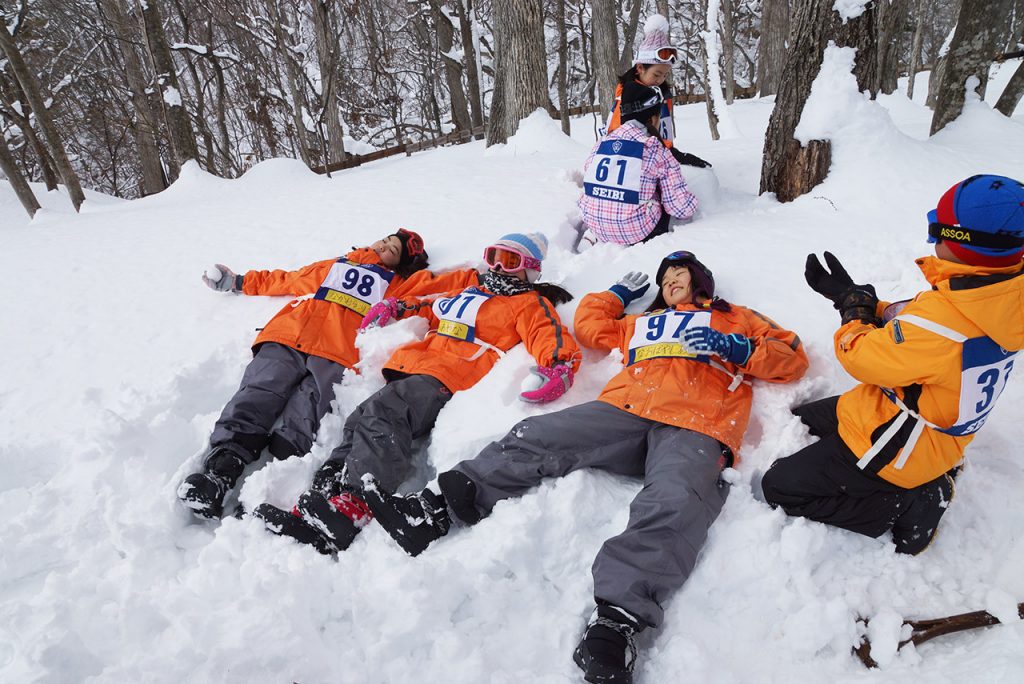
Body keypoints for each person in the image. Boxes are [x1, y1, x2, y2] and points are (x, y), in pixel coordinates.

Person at [362, 251, 808, 683]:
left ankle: (615, 624)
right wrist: (613, 295)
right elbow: (592, 328)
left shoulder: (734, 318)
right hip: (624, 409)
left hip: (697, 422)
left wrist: (736, 346)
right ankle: (435, 509)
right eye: (665, 277)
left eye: (679, 274)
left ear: (701, 280)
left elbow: (790, 357)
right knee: (536, 436)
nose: (670, 282)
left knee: (675, 498)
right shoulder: (642, 322)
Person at [253, 232, 582, 555]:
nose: (498, 267)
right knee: (358, 421)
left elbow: (548, 334)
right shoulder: (472, 291)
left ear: (530, 269)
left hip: (447, 375)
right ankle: (325, 494)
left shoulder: (528, 304)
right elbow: (432, 308)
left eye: (510, 261)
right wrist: (398, 308)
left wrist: (560, 366)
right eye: (494, 257)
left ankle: (354, 503)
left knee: (384, 417)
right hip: (416, 368)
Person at [761, 174, 1024, 555]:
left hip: (904, 444)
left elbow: (861, 356)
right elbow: (921, 322)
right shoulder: (997, 291)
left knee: (779, 486)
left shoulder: (944, 327)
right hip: (912, 412)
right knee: (803, 417)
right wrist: (870, 304)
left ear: (965, 245)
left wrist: (852, 312)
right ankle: (929, 470)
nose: (933, 241)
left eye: (939, 230)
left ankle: (913, 502)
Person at [177, 229, 479, 519]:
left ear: (401, 263)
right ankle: (218, 474)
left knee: (305, 415)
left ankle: (267, 490)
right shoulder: (339, 265)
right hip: (288, 336)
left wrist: (491, 277)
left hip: (335, 352)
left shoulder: (399, 284)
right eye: (386, 241)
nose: (385, 247)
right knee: (257, 395)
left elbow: (444, 282)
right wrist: (240, 281)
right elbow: (290, 280)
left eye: (394, 250)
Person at [579, 81, 699, 248]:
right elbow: (680, 209)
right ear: (652, 118)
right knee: (659, 190)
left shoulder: (601, 143)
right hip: (637, 231)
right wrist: (696, 202)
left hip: (594, 222)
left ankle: (593, 235)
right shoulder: (653, 147)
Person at [603, 14, 711, 170]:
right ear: (640, 68)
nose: (661, 80)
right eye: (657, 74)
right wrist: (671, 155)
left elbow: (661, 131)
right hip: (632, 164)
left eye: (665, 74)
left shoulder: (659, 92)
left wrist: (672, 152)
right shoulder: (630, 96)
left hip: (659, 155)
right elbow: (620, 138)